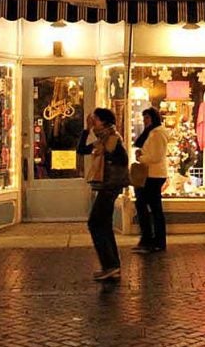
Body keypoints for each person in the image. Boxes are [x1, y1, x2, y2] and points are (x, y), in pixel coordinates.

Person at [77, 108, 127, 281]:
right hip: (106, 186)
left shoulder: (112, 138)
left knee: (95, 223)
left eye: (95, 119)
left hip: (109, 187)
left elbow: (122, 160)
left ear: (104, 121)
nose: (93, 122)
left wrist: (108, 154)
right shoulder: (102, 139)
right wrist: (86, 129)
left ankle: (110, 265)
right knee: (103, 224)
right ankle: (112, 266)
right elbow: (81, 149)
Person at [133, 107, 168, 253]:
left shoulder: (158, 133)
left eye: (147, 118)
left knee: (153, 208)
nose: (145, 121)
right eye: (144, 118)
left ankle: (156, 241)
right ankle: (148, 238)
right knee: (143, 205)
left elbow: (156, 156)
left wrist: (140, 157)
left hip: (154, 175)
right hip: (148, 174)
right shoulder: (151, 133)